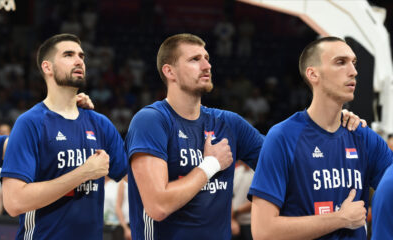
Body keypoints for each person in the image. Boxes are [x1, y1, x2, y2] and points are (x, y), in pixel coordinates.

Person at [125, 33, 364, 240]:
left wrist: (333, 121)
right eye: (194, 60)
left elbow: (294, 163)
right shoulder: (151, 121)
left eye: (207, 58)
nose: (207, 66)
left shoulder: (229, 123)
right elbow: (158, 206)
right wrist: (211, 164)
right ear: (170, 71)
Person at [249, 36, 393, 240]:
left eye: (354, 63)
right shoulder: (282, 136)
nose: (353, 71)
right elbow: (263, 231)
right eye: (340, 62)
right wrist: (340, 219)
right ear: (313, 74)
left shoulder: (364, 136)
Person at [0, 33, 128, 240]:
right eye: (68, 55)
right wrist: (83, 173)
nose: (79, 61)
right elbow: (14, 203)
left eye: (82, 56)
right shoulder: (30, 123)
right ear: (47, 67)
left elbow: (136, 179)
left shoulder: (100, 123)